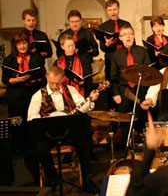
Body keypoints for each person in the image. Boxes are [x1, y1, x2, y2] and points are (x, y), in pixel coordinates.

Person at [27, 66, 99, 193]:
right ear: (47, 78)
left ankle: (87, 179)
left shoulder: (70, 90)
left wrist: (90, 100)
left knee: (85, 143)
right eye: (52, 83)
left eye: (58, 83)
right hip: (48, 134)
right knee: (39, 149)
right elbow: (32, 118)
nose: (55, 86)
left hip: (69, 132)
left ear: (62, 80)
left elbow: (83, 108)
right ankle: (53, 178)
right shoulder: (38, 95)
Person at [1, 33, 46, 185]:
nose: (22, 46)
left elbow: (43, 77)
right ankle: (21, 162)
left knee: (32, 127)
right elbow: (5, 80)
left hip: (32, 95)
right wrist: (17, 79)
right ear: (15, 45)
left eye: (24, 43)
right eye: (19, 43)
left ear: (28, 43)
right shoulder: (9, 60)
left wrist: (34, 78)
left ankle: (35, 155)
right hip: (16, 98)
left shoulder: (36, 58)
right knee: (18, 128)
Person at [110, 24, 151, 133]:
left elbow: (149, 72)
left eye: (130, 34)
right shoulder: (116, 55)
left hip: (140, 90)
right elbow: (113, 77)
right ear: (120, 38)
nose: (128, 37)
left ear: (134, 36)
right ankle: (126, 147)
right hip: (124, 92)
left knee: (141, 122)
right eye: (124, 35)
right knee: (125, 124)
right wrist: (116, 94)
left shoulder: (142, 51)